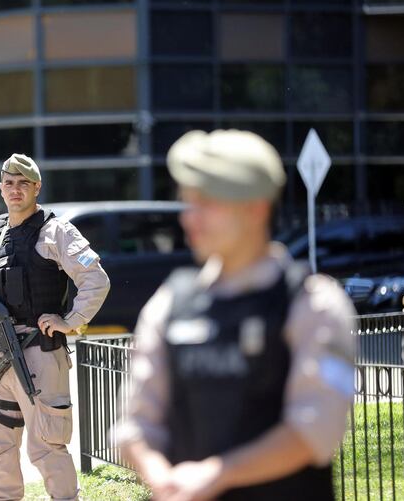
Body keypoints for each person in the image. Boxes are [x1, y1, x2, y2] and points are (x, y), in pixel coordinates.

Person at [116, 130, 356, 501]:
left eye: (206, 203)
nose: (189, 218)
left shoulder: (313, 305)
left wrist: (217, 475)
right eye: (187, 202)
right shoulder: (169, 304)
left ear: (256, 207)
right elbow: (135, 425)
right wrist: (160, 476)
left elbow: (315, 430)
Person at [0, 153, 110, 501]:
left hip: (38, 356)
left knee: (47, 449)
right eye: (9, 183)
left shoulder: (56, 231)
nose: (15, 190)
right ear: (1, 188)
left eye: (23, 183)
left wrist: (70, 322)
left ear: (37, 187)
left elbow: (96, 279)